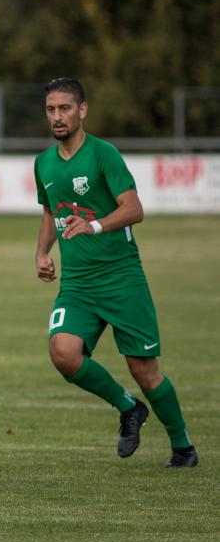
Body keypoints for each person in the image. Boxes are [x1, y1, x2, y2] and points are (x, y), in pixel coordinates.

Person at [34, 77, 197, 468]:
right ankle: (128, 408)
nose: (57, 117)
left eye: (65, 108)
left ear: (82, 110)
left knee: (144, 370)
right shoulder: (44, 162)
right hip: (78, 284)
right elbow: (50, 210)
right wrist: (41, 251)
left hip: (122, 278)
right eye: (51, 110)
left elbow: (134, 208)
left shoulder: (103, 154)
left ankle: (183, 446)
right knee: (63, 353)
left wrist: (93, 226)